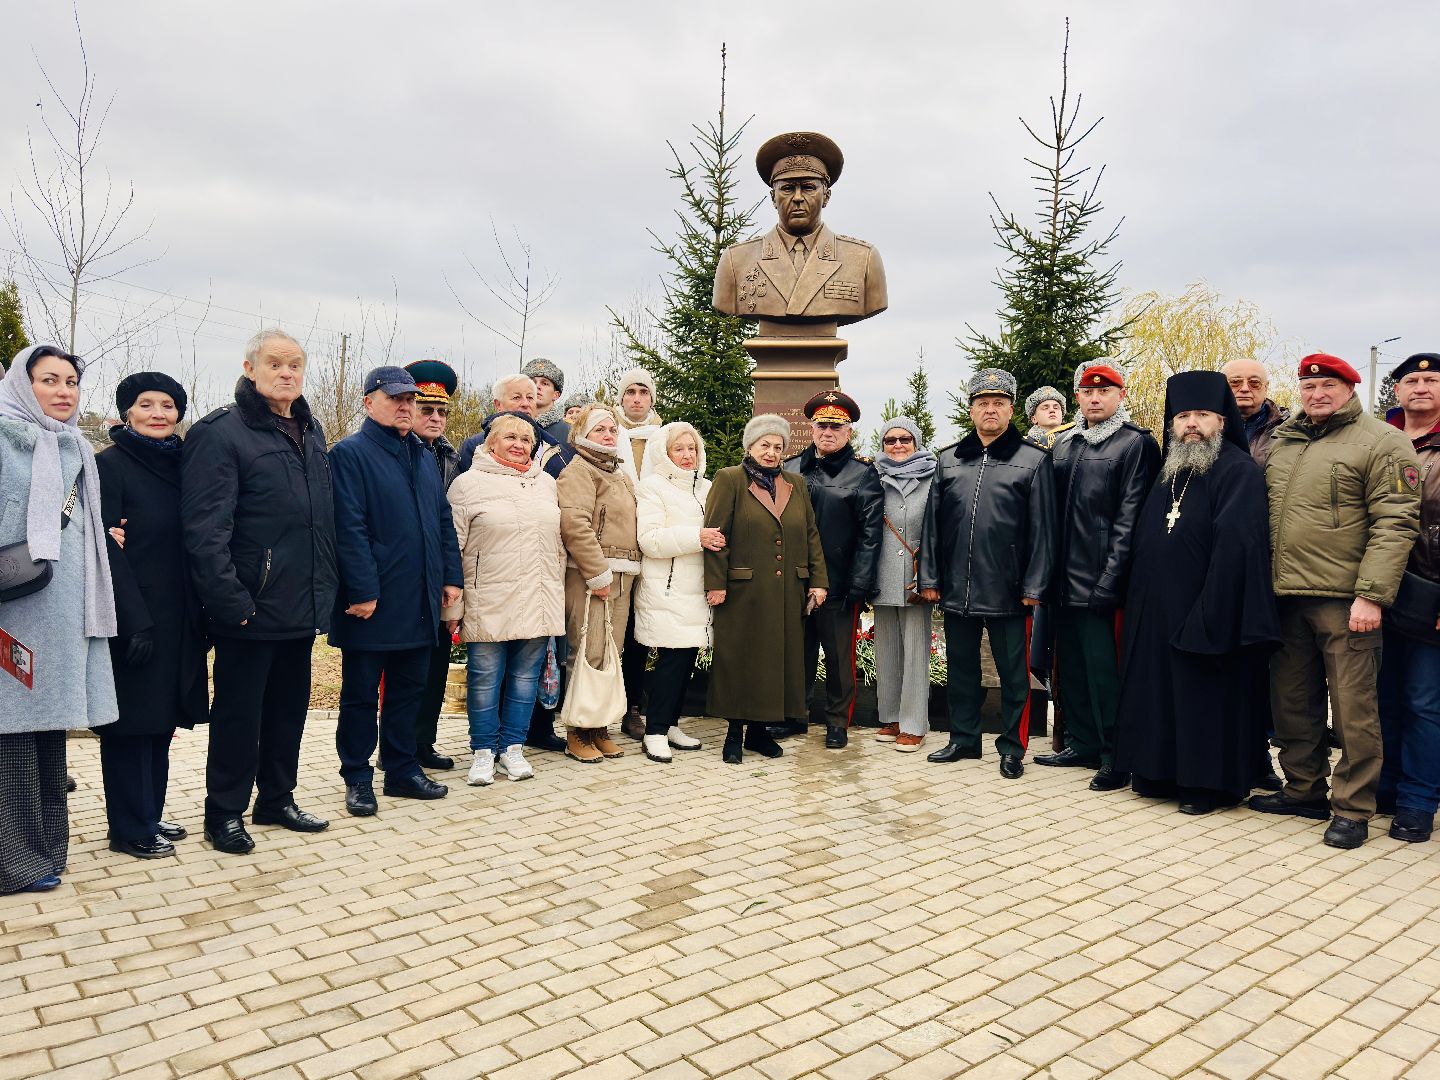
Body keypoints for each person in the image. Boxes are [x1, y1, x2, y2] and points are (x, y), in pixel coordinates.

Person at [1251, 353, 1420, 849]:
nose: (1317, 394)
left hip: (1347, 602)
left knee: (1353, 711)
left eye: (1329, 385)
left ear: (1350, 388)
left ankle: (1353, 807)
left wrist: (1371, 596)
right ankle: (1303, 790)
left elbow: (1395, 523)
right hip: (1286, 597)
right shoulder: (1285, 441)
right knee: (1292, 705)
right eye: (1309, 387)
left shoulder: (1382, 441)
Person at [182, 328, 337, 855]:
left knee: (287, 712)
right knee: (238, 718)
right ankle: (223, 811)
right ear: (250, 368)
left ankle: (276, 798)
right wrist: (232, 603)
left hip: (299, 605)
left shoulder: (310, 432)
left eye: (295, 364)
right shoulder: (223, 434)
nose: (286, 373)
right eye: (275, 363)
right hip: (248, 608)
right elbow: (206, 531)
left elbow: (318, 523)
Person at [1112, 372, 1280, 814]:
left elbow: (1238, 548)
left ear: (1222, 421)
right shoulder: (1170, 471)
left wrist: (1212, 609)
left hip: (1208, 607)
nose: (1191, 424)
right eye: (1183, 415)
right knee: (1159, 690)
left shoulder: (1238, 470)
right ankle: (1158, 771)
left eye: (1202, 415)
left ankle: (1207, 785)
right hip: (1156, 610)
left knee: (1203, 696)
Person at [0, 345, 118, 893]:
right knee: (9, 735)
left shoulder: (74, 446)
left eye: (71, 381)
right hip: (13, 611)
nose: (64, 391)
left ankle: (47, 848)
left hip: (63, 611)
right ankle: (13, 861)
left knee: (48, 735)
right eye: (49, 380)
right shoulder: (4, 440)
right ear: (24, 386)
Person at [329, 366, 463, 816]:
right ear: (370, 403)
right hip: (373, 602)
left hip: (420, 598)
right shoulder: (349, 454)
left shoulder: (423, 455)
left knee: (409, 690)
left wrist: (450, 577)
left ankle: (403, 771)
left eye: (410, 400)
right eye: (395, 399)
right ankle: (357, 778)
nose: (405, 407)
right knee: (362, 696)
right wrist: (362, 590)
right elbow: (349, 527)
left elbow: (442, 521)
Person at [918, 371, 1054, 777]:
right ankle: (963, 739)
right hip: (957, 588)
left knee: (1014, 676)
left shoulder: (1033, 460)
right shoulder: (947, 459)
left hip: (1009, 590)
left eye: (998, 403)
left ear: (1011, 409)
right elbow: (932, 527)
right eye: (982, 403)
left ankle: (1012, 748)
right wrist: (930, 579)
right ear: (971, 409)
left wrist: (1034, 585)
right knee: (961, 670)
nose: (990, 410)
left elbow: (1043, 531)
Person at [96, 372, 208, 859]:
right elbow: (103, 550)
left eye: (168, 404)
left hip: (178, 615)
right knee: (130, 725)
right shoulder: (109, 466)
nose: (158, 413)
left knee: (161, 721)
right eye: (146, 404)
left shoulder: (184, 466)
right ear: (126, 412)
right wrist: (132, 618)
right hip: (132, 616)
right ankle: (127, 827)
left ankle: (149, 811)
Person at [1035, 361, 1160, 792]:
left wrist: (1112, 578)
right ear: (1078, 398)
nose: (1094, 398)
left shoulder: (1133, 445)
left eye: (1104, 391)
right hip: (1063, 579)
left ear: (1120, 395)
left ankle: (1114, 754)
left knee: (1105, 672)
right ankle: (1083, 742)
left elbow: (1130, 519)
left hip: (1102, 579)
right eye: (1087, 392)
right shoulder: (1065, 444)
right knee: (1072, 667)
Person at [443, 415, 564, 785]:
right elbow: (453, 547)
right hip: (488, 598)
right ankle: (482, 752)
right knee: (484, 678)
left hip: (539, 597)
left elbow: (557, 546)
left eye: (526, 439)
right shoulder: (467, 485)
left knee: (525, 678)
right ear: (490, 443)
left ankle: (512, 748)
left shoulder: (545, 484)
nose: (519, 444)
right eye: (509, 437)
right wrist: (452, 608)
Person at [704, 415, 828, 763]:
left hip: (788, 589)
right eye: (764, 445)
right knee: (740, 660)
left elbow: (810, 535)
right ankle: (733, 733)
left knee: (775, 661)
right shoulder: (729, 479)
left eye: (778, 447)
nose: (771, 453)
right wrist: (715, 584)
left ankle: (758, 733)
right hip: (743, 591)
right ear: (750, 446)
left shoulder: (796, 484)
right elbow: (715, 535)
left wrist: (818, 581)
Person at [783, 390, 883, 749]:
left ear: (849, 432)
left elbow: (871, 536)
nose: (828, 432)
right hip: (793, 581)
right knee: (798, 652)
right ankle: (795, 715)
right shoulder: (791, 467)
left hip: (839, 583)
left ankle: (837, 722)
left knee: (840, 658)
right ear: (811, 427)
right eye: (822, 425)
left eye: (836, 427)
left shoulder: (863, 474)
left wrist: (860, 584)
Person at [713, 131, 887, 327]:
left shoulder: (863, 259)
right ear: (773, 198)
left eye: (808, 187)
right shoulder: (736, 261)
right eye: (787, 188)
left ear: (826, 196)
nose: (797, 197)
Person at [1379, 352, 1440, 842]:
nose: (1420, 386)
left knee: (1423, 700)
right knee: (1383, 695)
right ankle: (1388, 785)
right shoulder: (1379, 440)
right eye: (1411, 380)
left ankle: (1419, 800)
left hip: (1431, 591)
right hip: (1377, 589)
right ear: (1396, 391)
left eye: (1432, 379)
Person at [557, 404, 640, 763]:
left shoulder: (618, 473)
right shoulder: (580, 470)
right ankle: (576, 731)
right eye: (600, 430)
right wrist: (597, 572)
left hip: (622, 574)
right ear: (582, 435)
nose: (608, 435)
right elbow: (574, 523)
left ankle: (599, 727)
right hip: (592, 576)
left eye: (612, 429)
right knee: (586, 652)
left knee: (610, 654)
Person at [634, 422, 718, 761]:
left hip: (697, 587)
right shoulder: (652, 487)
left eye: (692, 448)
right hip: (667, 587)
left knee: (686, 658)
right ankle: (653, 730)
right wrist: (697, 537)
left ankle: (670, 724)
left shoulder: (707, 488)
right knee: (670, 658)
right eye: (679, 449)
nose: (687, 455)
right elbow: (649, 540)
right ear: (664, 454)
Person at [401, 360, 463, 773]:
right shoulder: (399, 452)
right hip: (402, 580)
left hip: (440, 580)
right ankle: (397, 748)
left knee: (435, 667)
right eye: (427, 409)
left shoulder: (452, 458)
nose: (436, 418)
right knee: (403, 674)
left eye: (441, 411)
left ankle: (423, 741)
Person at [870, 416, 938, 753]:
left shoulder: (933, 477)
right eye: (891, 440)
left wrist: (931, 576)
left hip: (917, 578)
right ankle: (892, 717)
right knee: (886, 651)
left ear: (917, 443)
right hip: (882, 575)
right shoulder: (873, 478)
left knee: (915, 653)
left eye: (905, 439)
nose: (897, 445)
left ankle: (914, 724)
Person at [613, 367, 664, 737]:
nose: (636, 398)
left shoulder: (664, 437)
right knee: (606, 630)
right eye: (630, 391)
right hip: (614, 546)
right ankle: (598, 707)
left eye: (643, 392)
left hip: (653, 546)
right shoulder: (606, 432)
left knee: (638, 633)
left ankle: (633, 707)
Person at [456, 374, 573, 479]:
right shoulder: (475, 446)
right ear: (498, 405)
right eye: (516, 397)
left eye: (530, 398)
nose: (525, 404)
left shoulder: (554, 449)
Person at [1221, 357, 1290, 468]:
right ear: (1222, 386)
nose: (1244, 389)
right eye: (1235, 382)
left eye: (1254, 383)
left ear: (1266, 387)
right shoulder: (1203, 426)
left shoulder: (1288, 429)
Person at [522, 357, 571, 443]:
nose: (537, 386)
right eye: (532, 382)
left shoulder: (570, 431)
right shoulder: (509, 425)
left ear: (556, 395)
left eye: (544, 383)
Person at [1022, 386, 1075, 450]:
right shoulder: (1025, 446)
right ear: (1034, 419)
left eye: (1056, 408)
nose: (1052, 410)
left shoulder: (1074, 441)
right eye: (1045, 408)